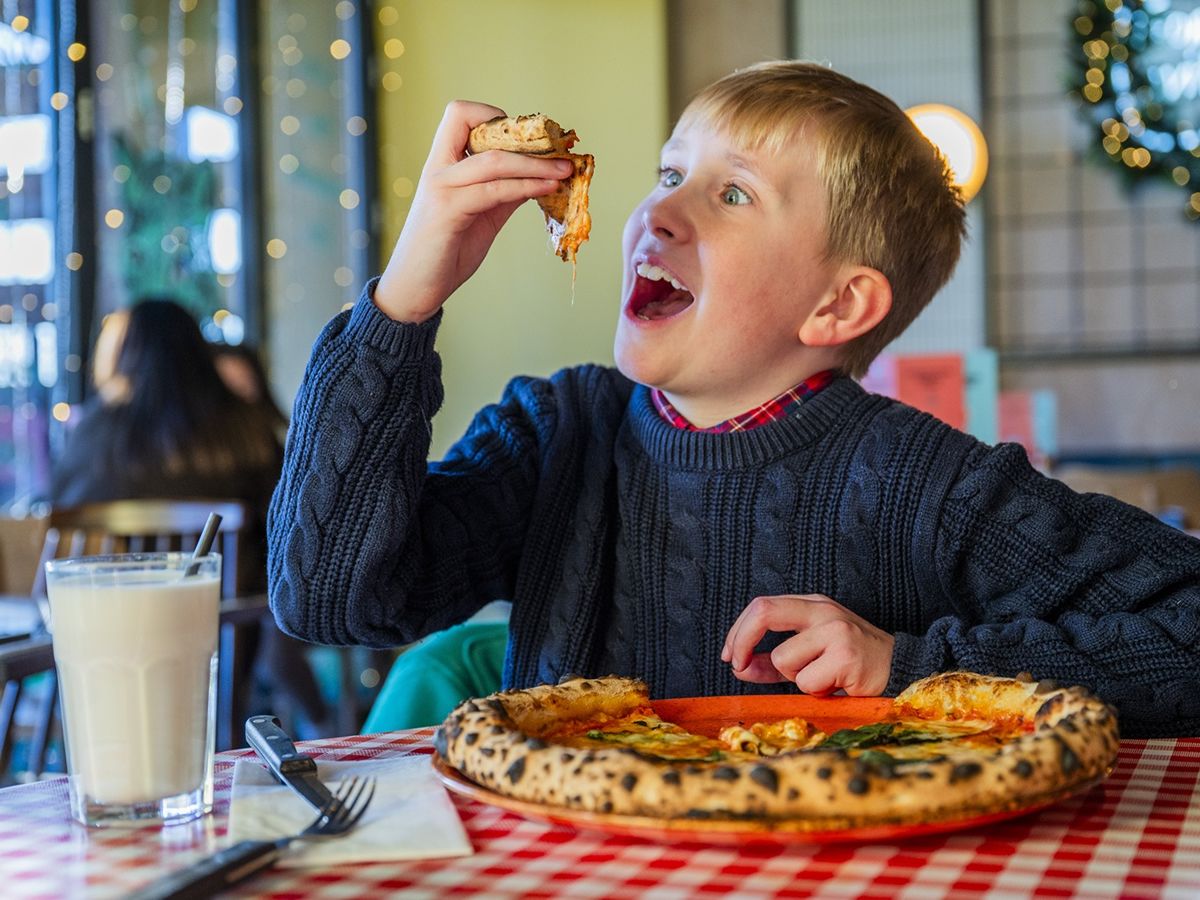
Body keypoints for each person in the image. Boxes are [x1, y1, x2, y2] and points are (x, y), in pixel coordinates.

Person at [267, 62, 1200, 738]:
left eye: (735, 195)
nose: (660, 212)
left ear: (838, 304)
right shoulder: (560, 435)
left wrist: (910, 669)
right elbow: (330, 598)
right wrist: (402, 302)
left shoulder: (932, 488)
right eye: (671, 174)